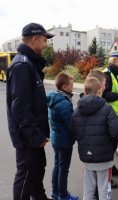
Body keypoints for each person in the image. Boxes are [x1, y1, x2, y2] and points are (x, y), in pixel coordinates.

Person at [6, 23, 54, 200]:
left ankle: (39, 197)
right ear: (34, 40)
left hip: (34, 135)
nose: (46, 44)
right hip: (28, 138)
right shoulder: (22, 66)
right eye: (44, 40)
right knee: (25, 176)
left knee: (37, 169)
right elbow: (20, 109)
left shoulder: (29, 64)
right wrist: (35, 136)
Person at [71, 77, 118, 200]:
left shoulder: (77, 111)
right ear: (100, 91)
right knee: (104, 188)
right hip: (104, 158)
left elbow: (73, 133)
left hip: (86, 157)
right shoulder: (107, 109)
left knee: (88, 189)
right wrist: (112, 146)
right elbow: (116, 131)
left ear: (85, 90)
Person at [47, 72, 79, 200]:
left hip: (56, 138)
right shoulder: (64, 103)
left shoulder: (54, 98)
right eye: (72, 85)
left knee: (58, 165)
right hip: (64, 141)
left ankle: (55, 193)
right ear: (65, 87)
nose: (73, 87)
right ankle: (63, 195)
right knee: (63, 169)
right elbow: (70, 124)